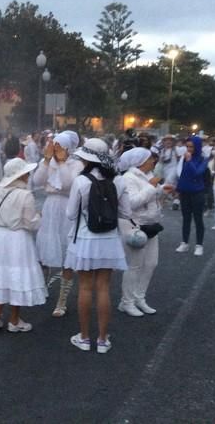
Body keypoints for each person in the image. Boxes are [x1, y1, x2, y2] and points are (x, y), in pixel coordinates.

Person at [65, 138, 131, 353]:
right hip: (109, 240)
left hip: (85, 239)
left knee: (84, 287)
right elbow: (126, 213)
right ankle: (102, 340)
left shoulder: (81, 181)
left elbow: (70, 214)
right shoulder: (119, 180)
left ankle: (84, 338)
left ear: (87, 158)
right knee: (104, 287)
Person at [0, 158, 47, 332]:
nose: (28, 175)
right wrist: (40, 217)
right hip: (18, 237)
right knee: (17, 275)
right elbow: (31, 223)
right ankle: (14, 320)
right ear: (20, 175)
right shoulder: (25, 194)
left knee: (2, 273)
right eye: (26, 173)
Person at [118, 148, 173, 317]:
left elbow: (150, 195)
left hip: (150, 225)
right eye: (149, 159)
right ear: (139, 161)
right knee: (134, 265)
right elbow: (133, 202)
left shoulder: (147, 176)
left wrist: (163, 189)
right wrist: (152, 187)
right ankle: (127, 302)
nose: (153, 162)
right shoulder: (128, 178)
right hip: (135, 226)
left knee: (150, 264)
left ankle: (139, 298)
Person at [33, 130, 83, 317]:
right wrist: (46, 161)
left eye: (59, 146)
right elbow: (37, 181)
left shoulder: (77, 164)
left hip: (67, 208)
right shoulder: (48, 161)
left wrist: (62, 163)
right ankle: (41, 288)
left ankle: (62, 300)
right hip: (50, 206)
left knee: (66, 253)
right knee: (44, 249)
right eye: (54, 145)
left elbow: (69, 184)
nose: (55, 149)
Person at [175, 136, 209, 256]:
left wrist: (189, 161)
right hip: (185, 192)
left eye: (191, 147)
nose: (189, 149)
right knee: (186, 218)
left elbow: (197, 173)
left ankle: (199, 245)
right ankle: (185, 242)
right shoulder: (184, 158)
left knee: (198, 219)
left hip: (197, 193)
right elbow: (182, 174)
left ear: (197, 147)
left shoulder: (203, 160)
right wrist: (177, 189)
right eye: (187, 146)